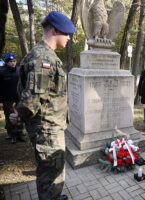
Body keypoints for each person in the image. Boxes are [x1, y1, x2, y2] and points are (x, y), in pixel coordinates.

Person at [10, 11, 75, 200]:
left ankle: (54, 196)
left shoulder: (45, 54)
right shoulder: (43, 59)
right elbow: (33, 97)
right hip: (46, 129)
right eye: (66, 33)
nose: (69, 38)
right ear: (55, 31)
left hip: (50, 126)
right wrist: (20, 116)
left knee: (54, 167)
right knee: (50, 169)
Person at [0, 52, 24, 144]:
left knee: (20, 115)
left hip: (19, 98)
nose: (13, 63)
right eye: (10, 61)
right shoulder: (1, 72)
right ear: (6, 62)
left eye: (14, 61)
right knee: (10, 117)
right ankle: (12, 135)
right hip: (7, 99)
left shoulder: (19, 70)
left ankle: (20, 133)